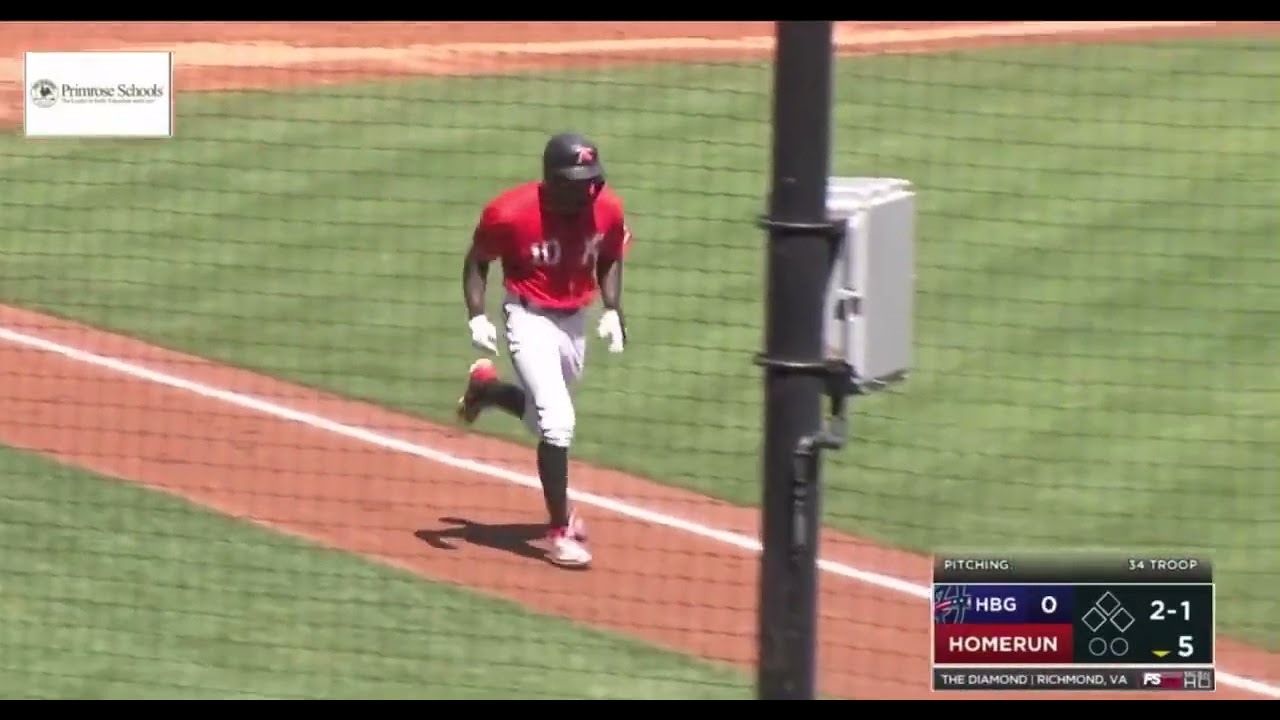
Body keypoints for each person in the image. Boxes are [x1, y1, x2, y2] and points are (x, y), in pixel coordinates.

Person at [456, 131, 631, 569]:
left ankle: (487, 390)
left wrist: (612, 309)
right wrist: (477, 315)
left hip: (574, 322)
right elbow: (478, 261)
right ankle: (560, 531)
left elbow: (610, 255)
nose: (589, 189)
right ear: (553, 181)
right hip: (528, 317)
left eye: (592, 178)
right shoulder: (510, 213)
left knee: (542, 418)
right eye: (578, 181)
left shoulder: (605, 207)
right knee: (558, 422)